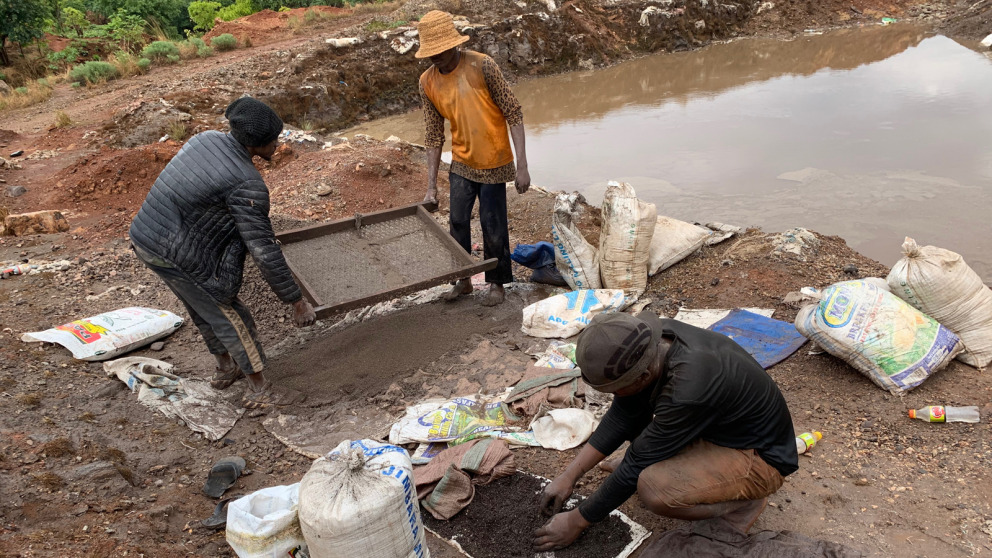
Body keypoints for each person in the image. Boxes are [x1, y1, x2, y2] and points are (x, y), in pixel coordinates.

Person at [533, 311, 799, 551]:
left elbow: (637, 463)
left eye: (616, 389)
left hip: (759, 458)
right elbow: (623, 415)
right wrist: (569, 476)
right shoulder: (649, 341)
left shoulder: (688, 389)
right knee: (637, 439)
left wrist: (578, 520)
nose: (614, 395)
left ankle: (744, 502)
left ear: (644, 375)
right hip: (715, 429)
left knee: (654, 489)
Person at [129, 97, 315, 409]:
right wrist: (295, 301)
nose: (277, 145)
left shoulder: (205, 139)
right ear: (256, 143)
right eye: (273, 140)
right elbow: (263, 248)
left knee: (200, 308)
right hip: (174, 250)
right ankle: (260, 390)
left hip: (146, 239)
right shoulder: (246, 183)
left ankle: (225, 369)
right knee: (229, 314)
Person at [415, 10, 531, 306]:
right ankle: (463, 280)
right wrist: (430, 186)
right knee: (457, 221)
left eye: (440, 51)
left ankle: (497, 282)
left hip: (494, 160)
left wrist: (523, 166)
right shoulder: (427, 82)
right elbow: (432, 135)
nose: (436, 58)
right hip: (462, 162)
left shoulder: (482, 66)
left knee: (493, 223)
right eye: (431, 53)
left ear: (454, 44)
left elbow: (513, 112)